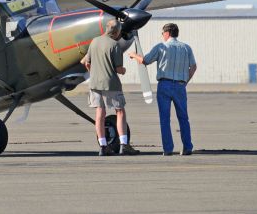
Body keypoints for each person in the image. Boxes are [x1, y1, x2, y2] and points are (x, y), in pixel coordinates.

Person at [129, 23, 197, 156]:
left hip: (164, 85)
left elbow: (145, 60)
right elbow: (193, 67)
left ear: (167, 33)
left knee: (165, 119)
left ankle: (168, 149)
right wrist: (184, 82)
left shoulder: (161, 46)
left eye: (162, 33)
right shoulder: (186, 48)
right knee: (183, 118)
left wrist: (133, 55)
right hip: (180, 86)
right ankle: (187, 147)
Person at [81, 19, 140, 156]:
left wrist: (94, 72)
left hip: (95, 83)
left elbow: (85, 62)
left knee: (100, 114)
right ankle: (124, 145)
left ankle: (103, 146)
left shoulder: (94, 41)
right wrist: (124, 70)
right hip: (111, 83)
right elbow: (119, 69)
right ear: (117, 31)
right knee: (120, 112)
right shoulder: (115, 45)